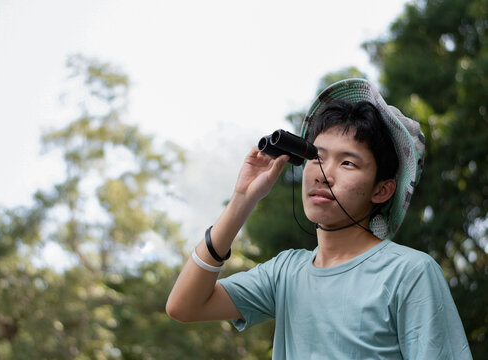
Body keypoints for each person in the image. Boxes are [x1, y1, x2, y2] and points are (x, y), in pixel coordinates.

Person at [166, 79, 472, 359]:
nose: (324, 175)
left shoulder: (409, 273)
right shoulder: (285, 272)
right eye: (317, 157)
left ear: (382, 190)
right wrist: (242, 201)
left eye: (348, 162)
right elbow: (184, 306)